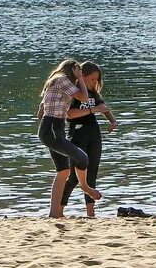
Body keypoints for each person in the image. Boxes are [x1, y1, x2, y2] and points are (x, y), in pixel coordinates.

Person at [38, 60, 106, 218]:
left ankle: (54, 214)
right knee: (82, 158)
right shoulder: (62, 79)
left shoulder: (55, 82)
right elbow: (83, 97)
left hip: (54, 128)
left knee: (63, 171)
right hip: (53, 128)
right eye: (78, 71)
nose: (79, 74)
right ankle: (86, 187)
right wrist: (81, 78)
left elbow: (40, 112)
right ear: (73, 69)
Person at [58, 61, 118, 218]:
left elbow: (103, 107)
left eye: (96, 80)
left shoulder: (93, 94)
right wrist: (93, 109)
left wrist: (112, 120)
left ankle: (91, 213)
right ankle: (59, 210)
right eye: (91, 79)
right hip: (77, 135)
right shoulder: (74, 93)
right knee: (73, 177)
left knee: (92, 175)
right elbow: (69, 114)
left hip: (94, 135)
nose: (94, 83)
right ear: (81, 77)